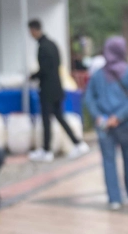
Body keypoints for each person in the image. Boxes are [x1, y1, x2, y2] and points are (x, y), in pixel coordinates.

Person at [83, 35, 128, 211]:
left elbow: (89, 98)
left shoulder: (97, 75)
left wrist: (100, 117)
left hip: (104, 126)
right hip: (127, 124)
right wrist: (119, 116)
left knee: (108, 161)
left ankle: (114, 198)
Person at [27, 19, 86, 162]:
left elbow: (45, 70)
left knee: (47, 119)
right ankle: (78, 143)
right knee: (59, 117)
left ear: (34, 30)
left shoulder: (43, 47)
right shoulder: (52, 44)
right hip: (57, 86)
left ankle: (47, 150)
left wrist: (33, 76)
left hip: (48, 88)